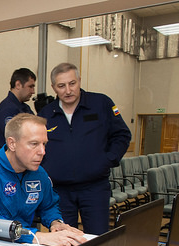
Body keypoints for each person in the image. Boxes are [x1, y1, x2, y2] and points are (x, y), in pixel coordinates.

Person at [0, 114, 86, 246]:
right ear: (12, 144)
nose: (42, 151)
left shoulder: (38, 172)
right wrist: (38, 237)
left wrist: (56, 223)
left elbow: (49, 205)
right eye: (34, 144)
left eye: (44, 144)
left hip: (25, 244)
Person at [38, 63, 130, 235]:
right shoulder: (46, 114)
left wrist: (108, 159)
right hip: (59, 191)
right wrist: (45, 170)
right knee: (63, 241)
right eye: (61, 86)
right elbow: (36, 145)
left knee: (98, 239)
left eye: (72, 83)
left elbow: (122, 135)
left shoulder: (101, 103)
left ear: (79, 81)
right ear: (53, 88)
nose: (68, 90)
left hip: (95, 188)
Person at [0, 68, 37, 148]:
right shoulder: (6, 110)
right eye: (30, 86)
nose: (33, 91)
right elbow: (14, 142)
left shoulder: (25, 108)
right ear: (18, 85)